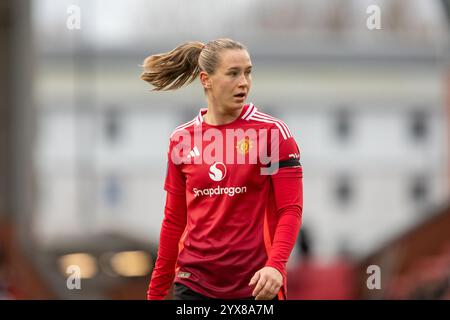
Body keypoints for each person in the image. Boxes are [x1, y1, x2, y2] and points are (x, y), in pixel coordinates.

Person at [141, 38, 303, 300]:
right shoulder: (182, 139)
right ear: (206, 79)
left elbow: (290, 210)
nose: (244, 82)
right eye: (233, 73)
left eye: (248, 72)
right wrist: (156, 294)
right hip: (194, 285)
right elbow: (174, 221)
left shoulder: (272, 134)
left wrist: (276, 266)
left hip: (256, 285)